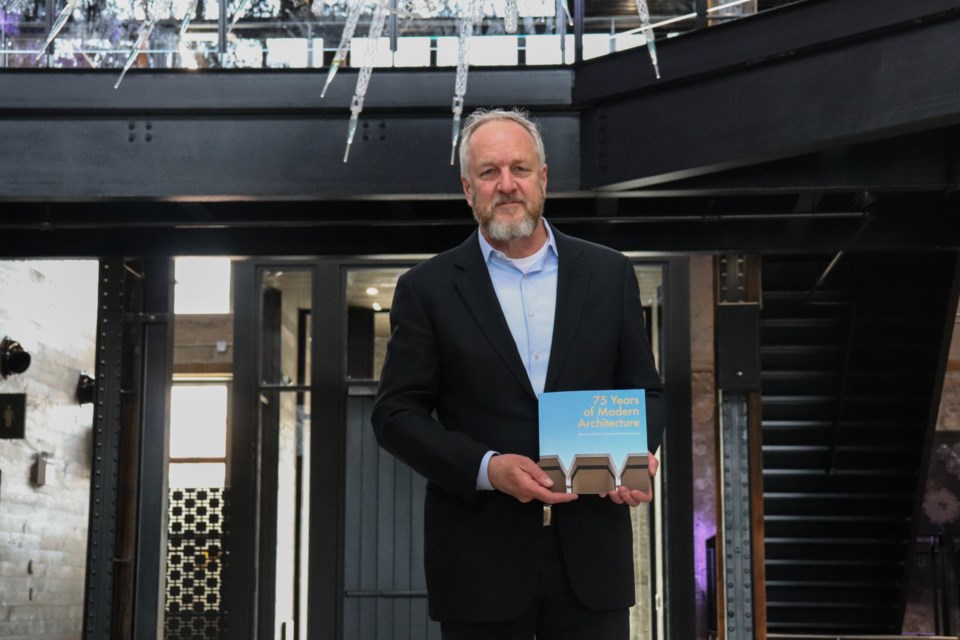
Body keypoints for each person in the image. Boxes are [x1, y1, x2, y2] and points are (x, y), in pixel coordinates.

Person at [371, 108, 667, 640]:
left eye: (520, 169)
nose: (506, 185)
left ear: (544, 178)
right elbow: (395, 414)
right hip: (478, 564)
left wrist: (637, 452)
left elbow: (645, 391)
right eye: (489, 172)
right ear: (468, 188)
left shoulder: (608, 272)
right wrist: (487, 467)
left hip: (591, 561)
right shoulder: (427, 288)